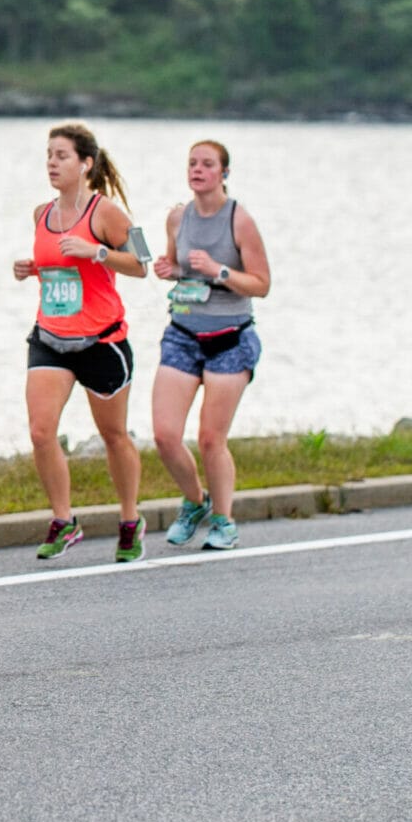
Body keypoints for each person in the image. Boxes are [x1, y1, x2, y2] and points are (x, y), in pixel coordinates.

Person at [14, 121, 150, 563]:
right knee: (40, 431)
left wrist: (99, 253)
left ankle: (130, 520)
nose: (52, 163)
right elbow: (57, 265)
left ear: (86, 163)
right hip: (51, 338)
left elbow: (142, 263)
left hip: (101, 341)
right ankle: (64, 521)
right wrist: (31, 268)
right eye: (49, 155)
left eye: (62, 156)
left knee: (113, 435)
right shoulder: (41, 213)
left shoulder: (105, 212)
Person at [150, 139, 272, 550]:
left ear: (224, 173)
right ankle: (194, 502)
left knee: (209, 438)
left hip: (230, 340)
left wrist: (220, 271)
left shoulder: (239, 220)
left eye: (207, 164)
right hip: (183, 334)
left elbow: (261, 284)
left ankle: (224, 521)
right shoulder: (177, 218)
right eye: (192, 163)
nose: (197, 170)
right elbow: (179, 268)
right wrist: (169, 270)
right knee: (165, 436)